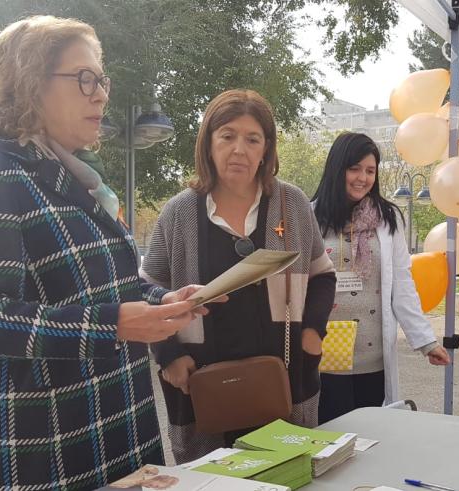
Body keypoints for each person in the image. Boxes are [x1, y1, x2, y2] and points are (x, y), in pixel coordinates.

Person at [0, 16, 204, 489]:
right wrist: (114, 323)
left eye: (101, 80)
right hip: (41, 446)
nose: (100, 94)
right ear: (28, 83)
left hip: (115, 429)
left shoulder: (75, 177)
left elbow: (108, 286)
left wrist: (164, 300)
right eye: (84, 79)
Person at [141, 89, 337, 463]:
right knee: (210, 479)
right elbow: (148, 290)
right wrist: (168, 354)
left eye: (252, 139)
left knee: (287, 474)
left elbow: (323, 277)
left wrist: (312, 336)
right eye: (227, 136)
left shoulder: (290, 204)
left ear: (266, 148)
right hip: (200, 387)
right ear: (208, 143)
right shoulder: (180, 213)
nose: (239, 149)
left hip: (285, 381)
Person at [309, 132, 450, 424]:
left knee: (369, 438)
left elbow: (402, 282)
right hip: (322, 356)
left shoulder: (387, 219)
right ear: (337, 169)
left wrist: (426, 341)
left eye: (370, 171)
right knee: (327, 438)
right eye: (355, 168)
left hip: (372, 359)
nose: (363, 178)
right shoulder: (310, 217)